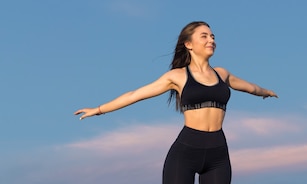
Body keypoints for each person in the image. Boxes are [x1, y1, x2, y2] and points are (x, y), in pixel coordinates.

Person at [74, 21, 278, 184]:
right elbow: (134, 95)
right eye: (204, 36)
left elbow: (248, 86)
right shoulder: (177, 76)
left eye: (213, 36)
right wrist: (99, 109)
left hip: (218, 154)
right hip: (185, 153)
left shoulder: (222, 74)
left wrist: (265, 92)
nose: (211, 40)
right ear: (188, 44)